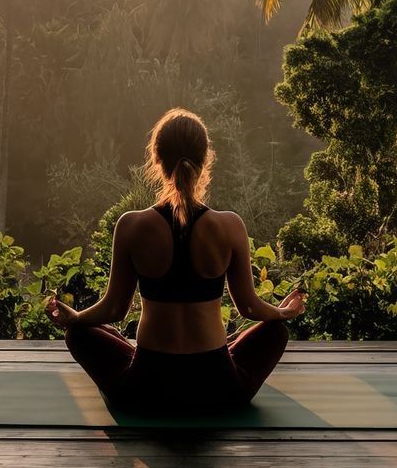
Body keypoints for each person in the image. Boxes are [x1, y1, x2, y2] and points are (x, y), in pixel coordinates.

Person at [46, 107, 306, 413]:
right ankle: (228, 348)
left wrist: (73, 319)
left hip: (145, 389)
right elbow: (248, 307)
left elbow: (114, 309)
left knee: (81, 333)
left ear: (157, 160)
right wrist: (284, 312)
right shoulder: (230, 225)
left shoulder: (131, 225)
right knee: (275, 331)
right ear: (205, 159)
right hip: (220, 389)